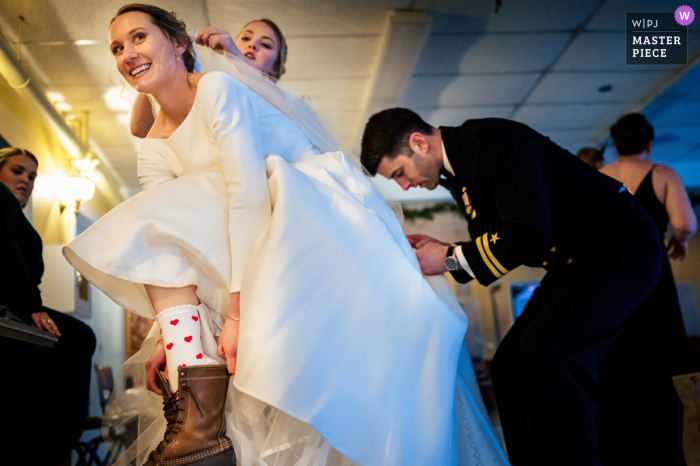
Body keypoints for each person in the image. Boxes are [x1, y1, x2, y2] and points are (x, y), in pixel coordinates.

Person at [63, 5, 509, 466]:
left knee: (320, 373)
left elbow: (248, 193)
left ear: (179, 44)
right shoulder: (153, 147)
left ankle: (203, 409)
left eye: (138, 37)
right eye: (117, 47)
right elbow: (169, 250)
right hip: (245, 233)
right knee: (151, 216)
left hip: (303, 211)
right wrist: (168, 337)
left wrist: (237, 314)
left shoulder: (217, 88)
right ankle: (198, 411)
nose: (126, 53)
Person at [360, 108, 663, 466]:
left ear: (418, 142)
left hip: (619, 246)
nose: (404, 186)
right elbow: (495, 238)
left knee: (546, 356)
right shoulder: (459, 169)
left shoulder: (492, 142)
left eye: (399, 173)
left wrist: (449, 258)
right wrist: (445, 250)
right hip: (578, 260)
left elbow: (530, 233)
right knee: (506, 365)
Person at [596, 113, 698, 464]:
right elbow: (686, 222)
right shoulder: (663, 174)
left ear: (615, 144)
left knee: (620, 354)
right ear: (649, 143)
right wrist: (678, 242)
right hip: (654, 272)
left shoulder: (600, 177)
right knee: (664, 353)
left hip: (612, 280)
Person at [0, 147, 97, 465]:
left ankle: (56, 438)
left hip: (18, 305)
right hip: (12, 306)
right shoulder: (0, 198)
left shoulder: (14, 212)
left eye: (32, 176)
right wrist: (33, 307)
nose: (26, 180)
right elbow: (4, 249)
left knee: (74, 338)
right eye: (18, 171)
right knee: (78, 336)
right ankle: (59, 439)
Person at [130, 18, 286, 138]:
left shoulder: (282, 102)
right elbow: (140, 128)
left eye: (266, 44)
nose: (253, 45)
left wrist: (237, 56)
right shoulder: (208, 82)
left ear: (275, 68)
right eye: (246, 39)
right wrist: (159, 65)